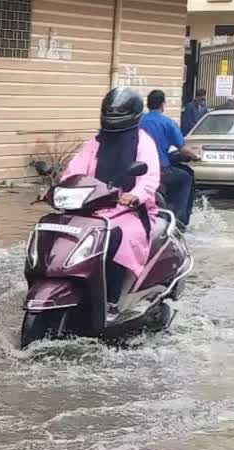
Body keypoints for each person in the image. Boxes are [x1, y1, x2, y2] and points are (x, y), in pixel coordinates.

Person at [62, 87, 161, 314]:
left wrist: (135, 195)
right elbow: (74, 170)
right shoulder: (95, 142)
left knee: (118, 236)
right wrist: (61, 187)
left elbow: (149, 177)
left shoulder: (143, 142)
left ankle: (112, 297)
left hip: (131, 210)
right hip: (92, 206)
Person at [139, 89, 198, 227]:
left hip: (139, 170)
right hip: (161, 171)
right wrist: (195, 157)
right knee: (186, 178)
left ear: (148, 104)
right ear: (162, 104)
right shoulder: (168, 123)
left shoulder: (139, 121)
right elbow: (183, 151)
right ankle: (180, 220)